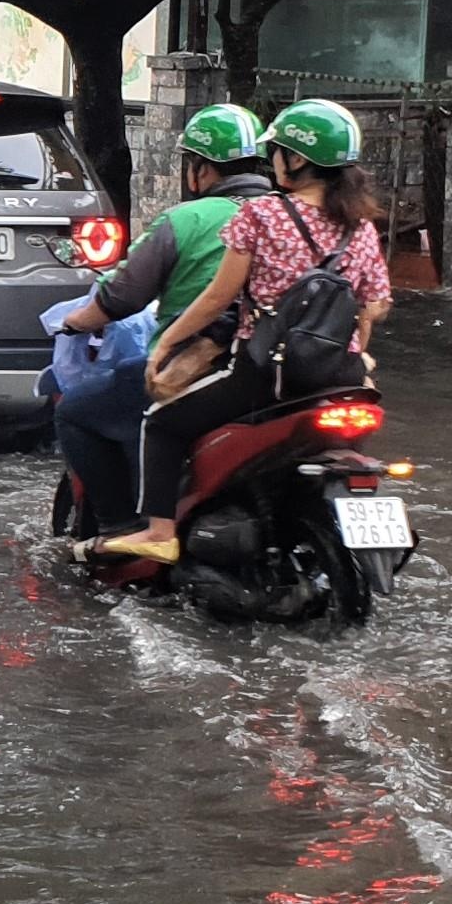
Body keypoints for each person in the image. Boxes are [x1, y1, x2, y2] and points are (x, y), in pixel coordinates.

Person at [104, 99, 393, 566]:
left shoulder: (260, 216)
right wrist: (361, 352)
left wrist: (170, 343)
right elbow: (374, 303)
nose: (274, 159)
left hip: (265, 376)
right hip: (341, 380)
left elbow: (218, 299)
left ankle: (158, 532)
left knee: (160, 421)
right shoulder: (359, 227)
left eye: (277, 150)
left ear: (296, 159)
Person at [47, 104, 271, 531]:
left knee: (76, 411)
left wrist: (77, 321)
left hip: (207, 368)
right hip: (289, 370)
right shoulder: (296, 217)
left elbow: (123, 296)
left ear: (199, 169)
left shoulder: (188, 220)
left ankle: (119, 528)